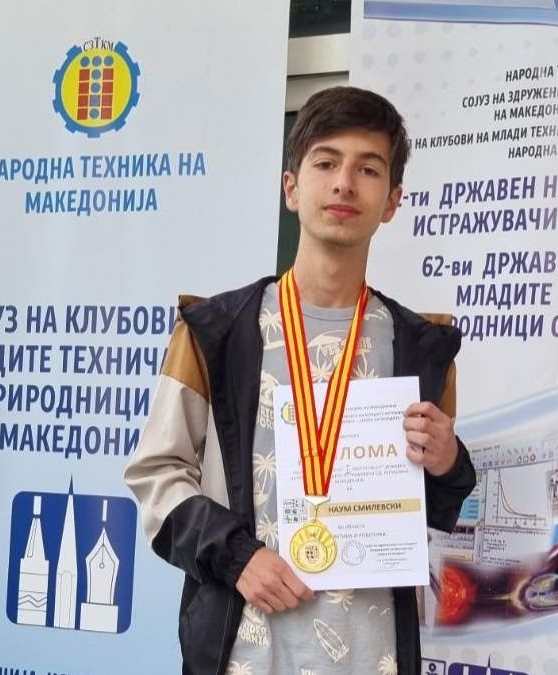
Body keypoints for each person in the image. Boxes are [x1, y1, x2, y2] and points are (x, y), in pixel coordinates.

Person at [124, 87, 477, 675]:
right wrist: (237, 556)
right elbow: (156, 475)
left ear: (392, 202)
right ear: (291, 188)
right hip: (242, 654)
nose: (344, 184)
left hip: (374, 657)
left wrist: (448, 463)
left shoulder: (423, 348)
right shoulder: (215, 333)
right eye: (326, 163)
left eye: (368, 169)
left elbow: (433, 508)